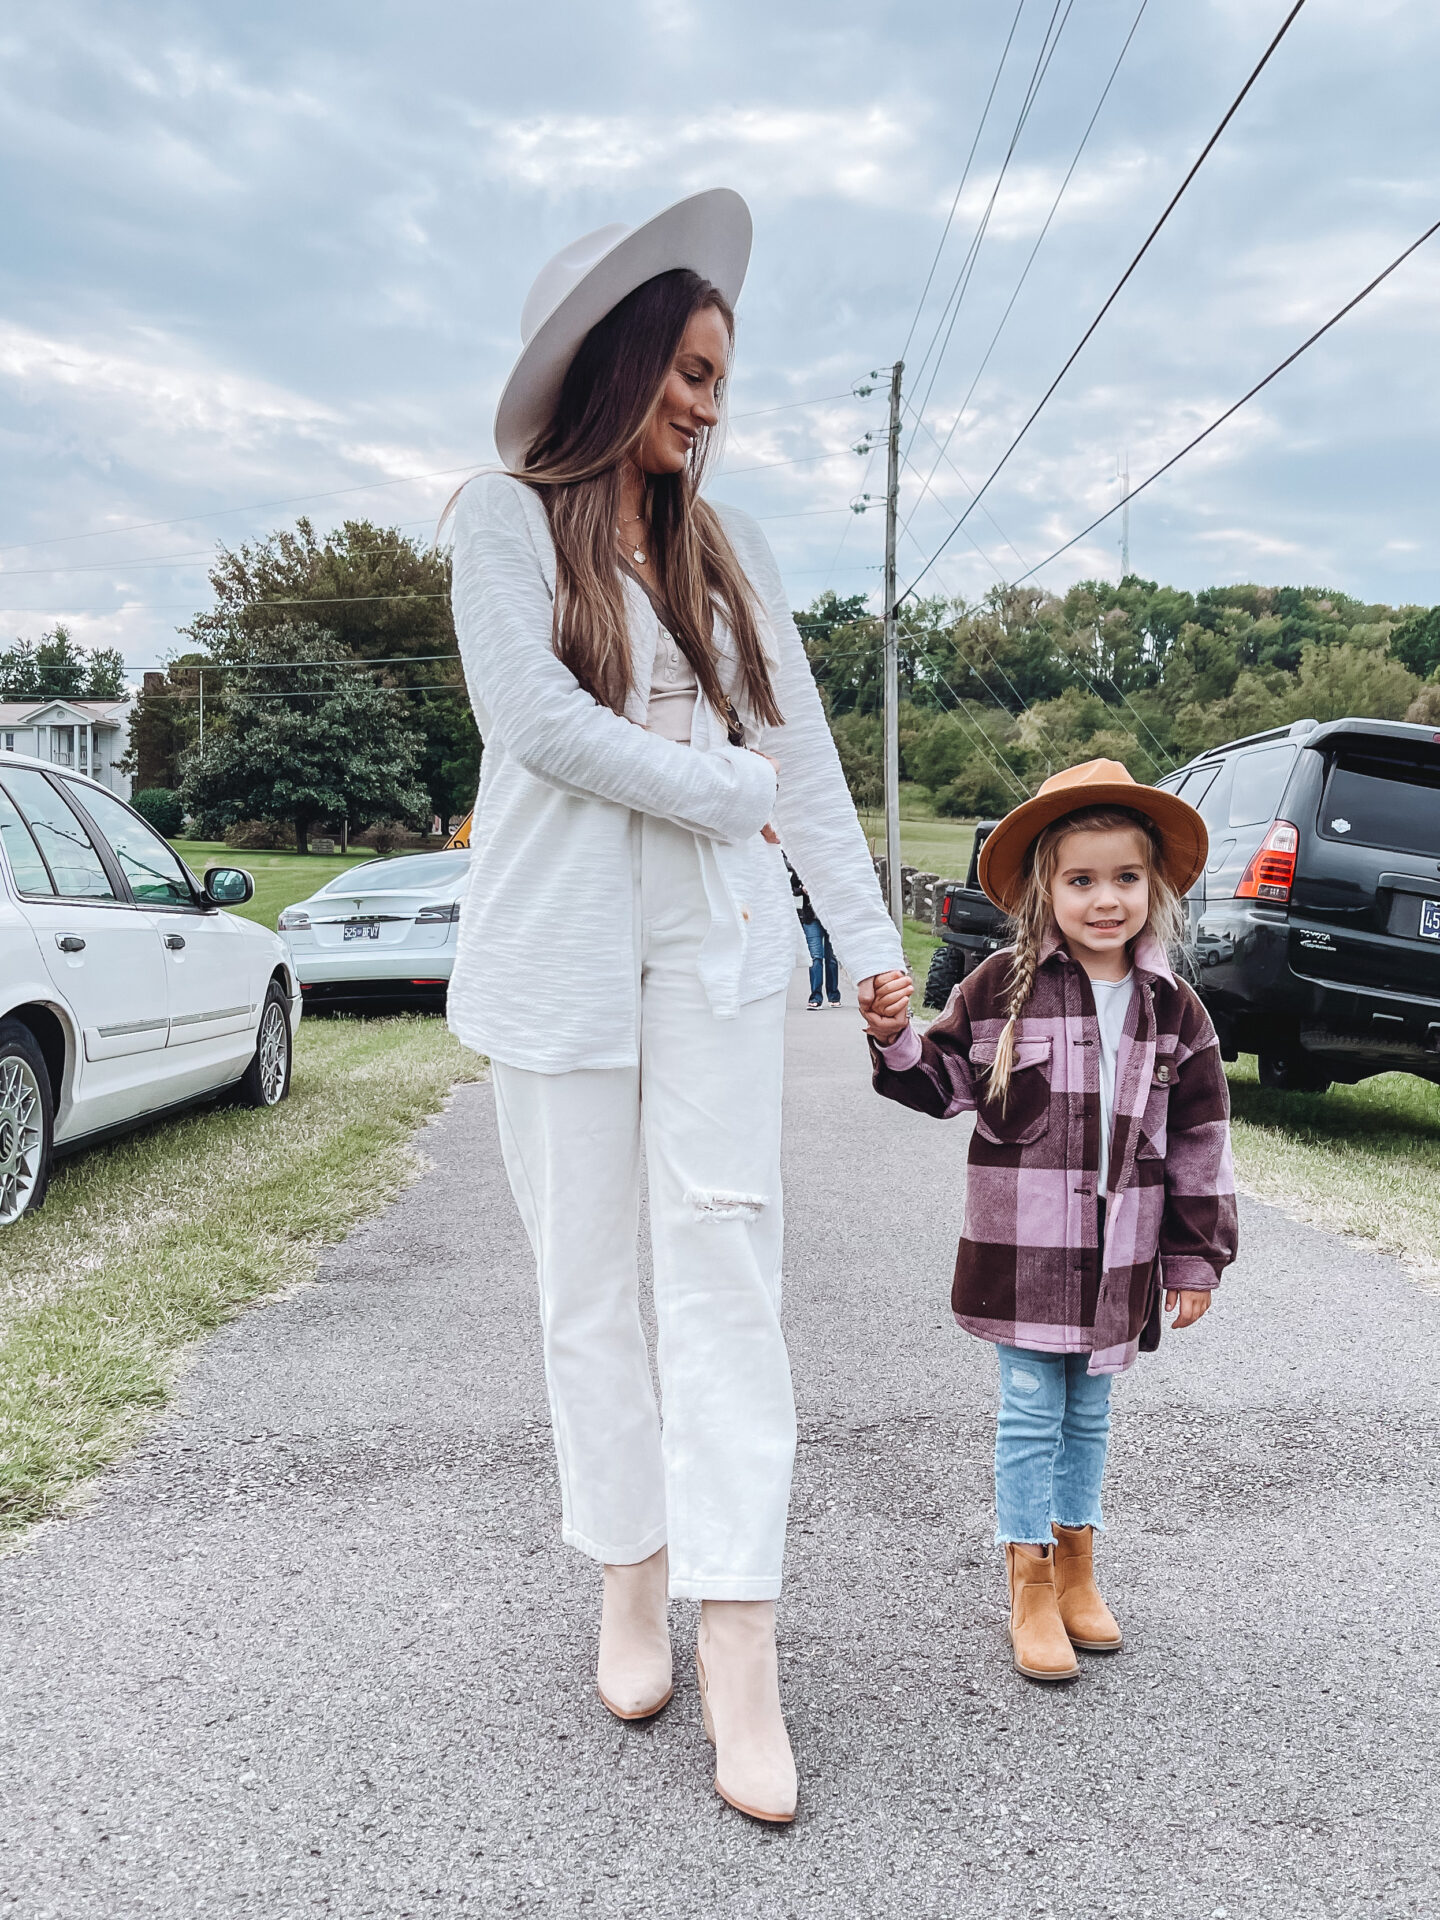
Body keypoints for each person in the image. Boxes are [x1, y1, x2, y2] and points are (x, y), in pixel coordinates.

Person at [444, 189, 911, 1822]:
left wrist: (868, 946)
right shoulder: (499, 520)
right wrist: (720, 795)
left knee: (724, 1285)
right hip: (561, 957)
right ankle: (629, 1572)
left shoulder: (737, 547)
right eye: (688, 369)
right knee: (593, 1292)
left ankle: (743, 1654)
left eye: (724, 374)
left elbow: (802, 770)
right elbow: (539, 724)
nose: (709, 403)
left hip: (713, 959)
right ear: (617, 359)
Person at [860, 759, 1237, 1682]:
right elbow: (941, 1082)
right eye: (1081, 880)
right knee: (1032, 1409)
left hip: (1120, 1257)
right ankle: (1027, 1578)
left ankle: (1077, 1568)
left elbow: (1200, 1139)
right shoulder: (1001, 987)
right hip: (1024, 1251)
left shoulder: (1173, 1009)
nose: (1105, 900)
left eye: (1125, 879)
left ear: (1154, 889)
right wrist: (890, 1036)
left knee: (1091, 1412)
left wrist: (1195, 1259)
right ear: (1044, 889)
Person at [788, 859, 841, 1008]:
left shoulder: (833, 869)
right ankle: (815, 997)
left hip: (830, 918)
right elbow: (792, 888)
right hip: (811, 918)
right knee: (816, 957)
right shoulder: (802, 867)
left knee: (831, 958)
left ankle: (833, 995)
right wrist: (802, 890)